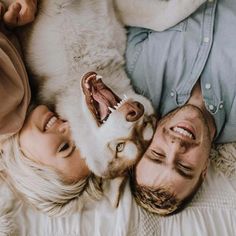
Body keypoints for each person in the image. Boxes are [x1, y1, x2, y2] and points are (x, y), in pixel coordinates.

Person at [126, 0, 236, 215]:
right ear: (204, 171)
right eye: (184, 167)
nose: (176, 146)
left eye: (157, 154)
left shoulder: (136, 75)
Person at [0, 0, 102, 217]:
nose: (67, 126)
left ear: (31, 171)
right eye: (80, 134)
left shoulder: (7, 109)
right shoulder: (19, 103)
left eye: (64, 147)